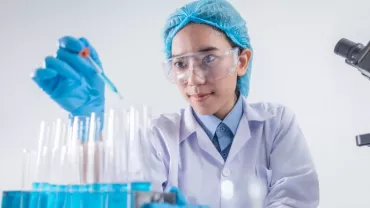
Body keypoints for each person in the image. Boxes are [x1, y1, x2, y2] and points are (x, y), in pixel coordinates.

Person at [31, 0, 320, 207]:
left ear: (241, 61)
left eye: (208, 58)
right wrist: (88, 126)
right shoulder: (159, 135)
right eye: (180, 63)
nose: (193, 79)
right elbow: (119, 197)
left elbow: (295, 200)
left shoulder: (276, 124)